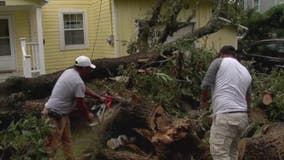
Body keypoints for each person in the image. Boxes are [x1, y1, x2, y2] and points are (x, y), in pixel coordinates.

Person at [41, 55, 105, 160]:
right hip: (53, 116)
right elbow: (80, 104)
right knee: (52, 147)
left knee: (67, 142)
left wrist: (99, 97)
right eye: (88, 69)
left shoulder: (69, 72)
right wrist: (88, 116)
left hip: (62, 115)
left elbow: (84, 88)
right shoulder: (77, 81)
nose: (89, 71)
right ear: (83, 68)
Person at [200, 45, 252, 160]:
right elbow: (248, 96)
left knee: (219, 153)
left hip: (226, 115)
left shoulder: (219, 62)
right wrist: (248, 114)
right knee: (232, 152)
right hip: (242, 116)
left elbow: (205, 85)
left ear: (221, 54)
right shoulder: (245, 70)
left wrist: (204, 104)